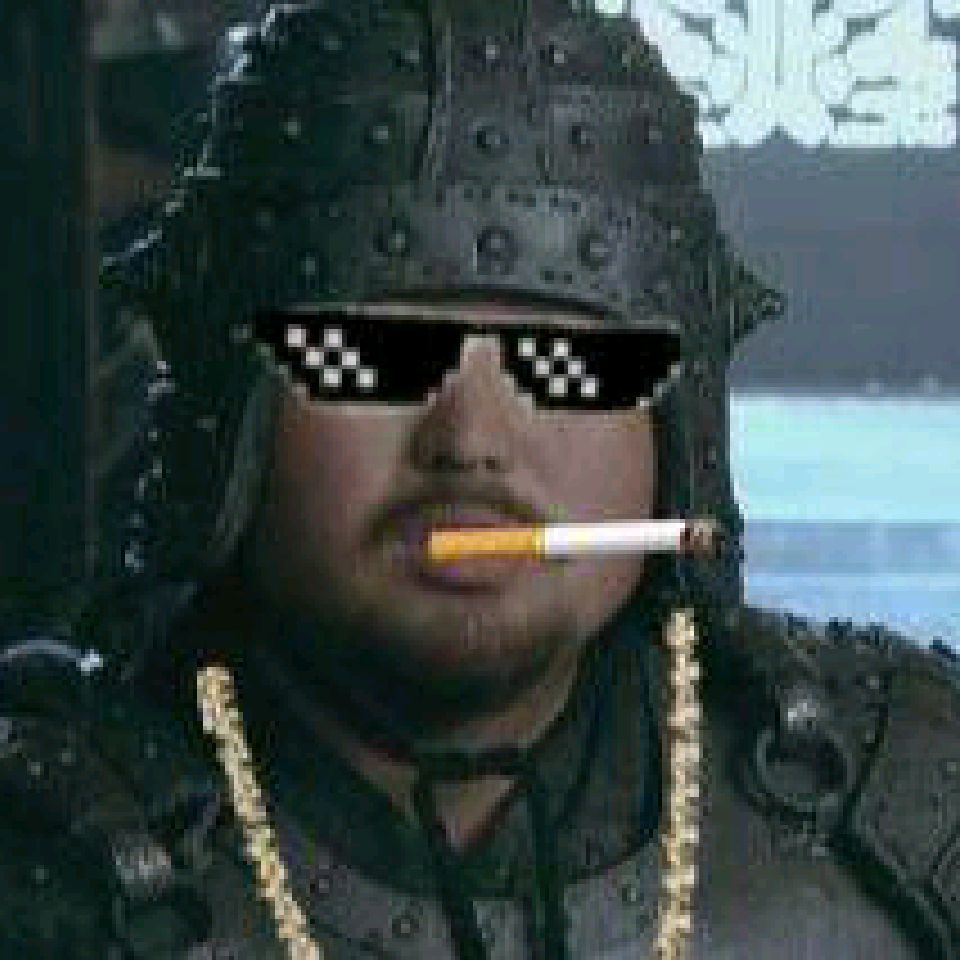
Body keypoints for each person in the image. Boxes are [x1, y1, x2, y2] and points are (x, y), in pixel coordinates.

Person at [2, 2, 958, 958]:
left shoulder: (907, 802)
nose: (470, 443)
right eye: (369, 362)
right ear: (228, 411)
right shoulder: (36, 864)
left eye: (568, 371)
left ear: (678, 427)